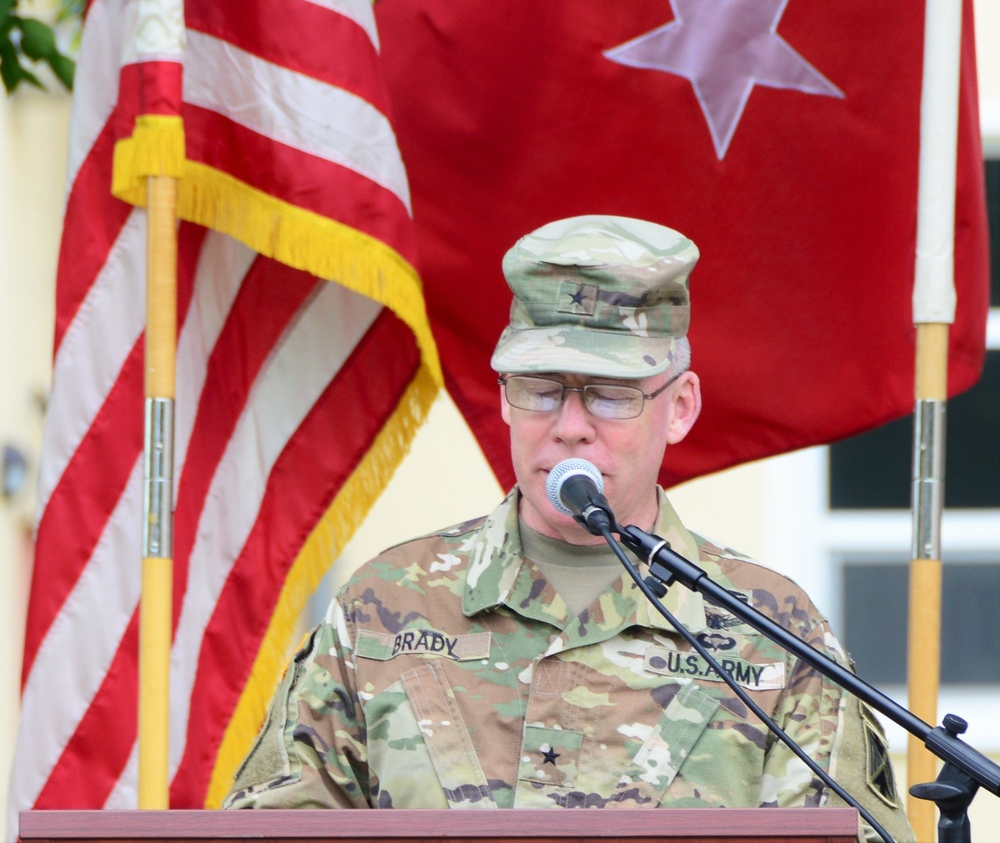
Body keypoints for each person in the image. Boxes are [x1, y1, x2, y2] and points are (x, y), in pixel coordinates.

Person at [223, 215, 913, 841]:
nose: (571, 426)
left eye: (611, 396)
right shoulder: (385, 606)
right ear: (503, 398)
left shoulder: (770, 629)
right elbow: (275, 827)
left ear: (679, 408)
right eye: (541, 390)